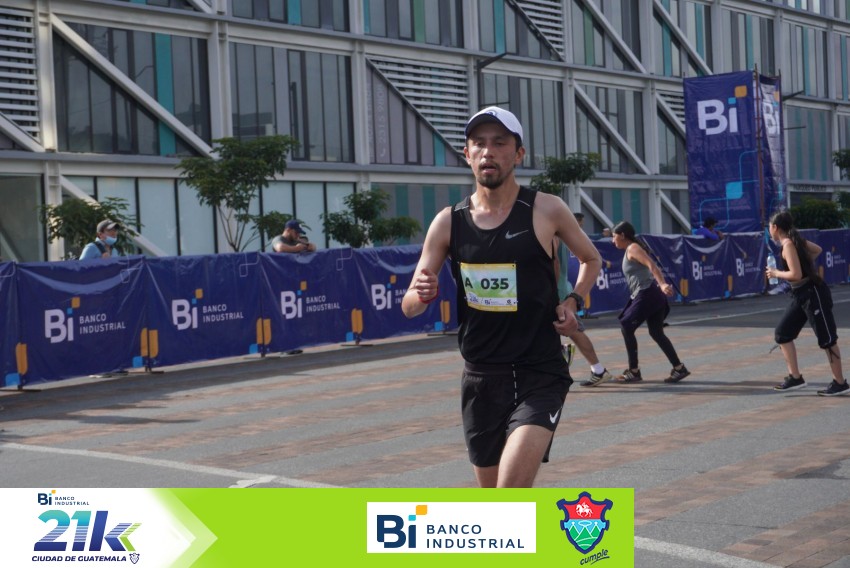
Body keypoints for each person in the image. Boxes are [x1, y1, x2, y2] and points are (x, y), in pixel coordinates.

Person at [401, 106, 602, 488]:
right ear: (467, 154)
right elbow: (409, 306)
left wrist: (573, 300)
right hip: (480, 378)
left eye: (499, 143)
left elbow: (591, 259)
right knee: (494, 504)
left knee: (510, 491)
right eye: (479, 143)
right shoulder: (448, 221)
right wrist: (421, 294)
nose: (488, 152)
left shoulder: (546, 209)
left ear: (519, 153)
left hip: (539, 372)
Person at [765, 211, 847, 395]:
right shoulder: (794, 240)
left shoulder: (788, 244)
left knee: (827, 338)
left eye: (769, 227)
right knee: (783, 333)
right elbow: (817, 250)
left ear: (775, 227)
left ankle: (840, 382)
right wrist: (805, 263)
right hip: (799, 294)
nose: (769, 230)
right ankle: (795, 377)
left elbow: (795, 274)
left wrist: (776, 273)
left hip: (813, 293)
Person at [611, 221, 690, 383]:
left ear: (623, 235)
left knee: (626, 326)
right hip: (650, 295)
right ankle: (679, 368)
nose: (613, 240)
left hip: (647, 294)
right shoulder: (630, 249)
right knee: (656, 332)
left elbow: (652, 266)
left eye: (614, 236)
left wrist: (663, 284)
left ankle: (633, 371)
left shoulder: (633, 248)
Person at [553, 236, 612, 387]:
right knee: (574, 332)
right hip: (560, 292)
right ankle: (597, 370)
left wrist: (553, 294)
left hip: (557, 295)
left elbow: (555, 262)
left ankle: (597, 370)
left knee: (575, 332)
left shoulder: (551, 233)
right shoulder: (557, 232)